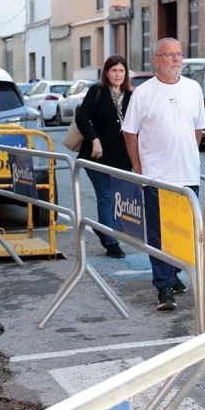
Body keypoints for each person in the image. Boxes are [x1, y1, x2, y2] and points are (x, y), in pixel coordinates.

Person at [123, 37, 205, 312]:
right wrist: (138, 167)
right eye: (169, 55)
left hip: (187, 175)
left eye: (179, 54)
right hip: (156, 175)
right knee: (159, 234)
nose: (175, 59)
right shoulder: (143, 93)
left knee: (184, 233)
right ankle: (164, 287)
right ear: (156, 60)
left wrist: (186, 154)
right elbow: (129, 132)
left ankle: (173, 275)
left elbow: (198, 129)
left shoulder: (193, 89)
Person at [76, 55, 133, 258]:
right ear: (106, 73)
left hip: (122, 158)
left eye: (121, 71)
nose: (117, 74)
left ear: (126, 74)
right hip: (97, 155)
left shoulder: (131, 95)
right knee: (106, 196)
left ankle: (104, 228)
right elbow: (82, 117)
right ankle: (111, 242)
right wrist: (94, 139)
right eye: (114, 70)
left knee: (120, 199)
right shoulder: (97, 92)